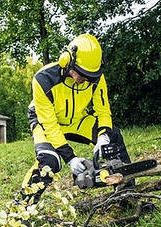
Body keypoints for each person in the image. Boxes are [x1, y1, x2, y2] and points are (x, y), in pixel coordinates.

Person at [15, 33, 132, 206]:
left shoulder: (95, 77)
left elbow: (103, 110)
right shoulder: (43, 80)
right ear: (67, 61)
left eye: (90, 77)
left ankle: (126, 194)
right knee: (49, 161)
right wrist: (70, 158)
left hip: (76, 118)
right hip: (44, 120)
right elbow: (50, 124)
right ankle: (22, 207)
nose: (86, 80)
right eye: (82, 74)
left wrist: (103, 136)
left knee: (113, 136)